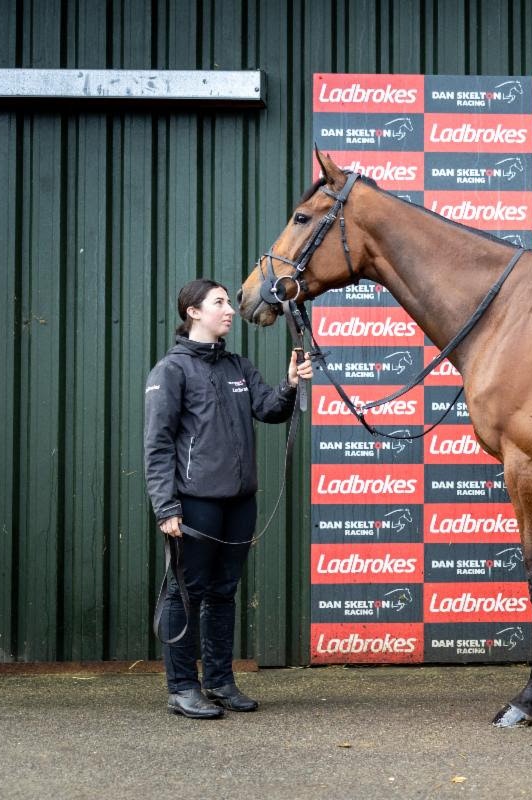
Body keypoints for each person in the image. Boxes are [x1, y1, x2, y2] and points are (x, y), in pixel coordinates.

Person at [144, 278, 312, 719]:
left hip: (240, 503)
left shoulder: (238, 366)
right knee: (185, 593)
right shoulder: (171, 371)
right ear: (192, 312)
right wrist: (166, 507)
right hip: (194, 503)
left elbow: (271, 410)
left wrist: (291, 383)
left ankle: (219, 681)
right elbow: (157, 445)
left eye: (228, 304)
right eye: (219, 303)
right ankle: (182, 687)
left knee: (223, 592)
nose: (229, 310)